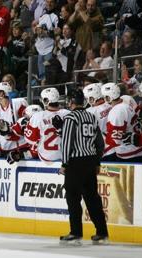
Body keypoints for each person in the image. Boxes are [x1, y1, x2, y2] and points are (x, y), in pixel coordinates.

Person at [59, 89, 108, 246]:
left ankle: (75, 233)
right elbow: (100, 143)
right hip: (90, 161)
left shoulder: (71, 117)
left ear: (71, 102)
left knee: (73, 197)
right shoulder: (91, 116)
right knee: (92, 197)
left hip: (75, 162)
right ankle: (102, 232)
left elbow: (67, 142)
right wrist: (96, 161)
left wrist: (64, 163)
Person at [101, 83, 142, 161]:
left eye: (104, 97)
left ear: (108, 98)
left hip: (130, 153)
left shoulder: (116, 111)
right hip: (140, 147)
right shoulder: (127, 98)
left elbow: (115, 140)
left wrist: (105, 136)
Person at [25, 87, 70, 162]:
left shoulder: (37, 116)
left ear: (46, 101)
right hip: (65, 157)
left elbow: (30, 139)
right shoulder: (68, 113)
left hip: (46, 157)